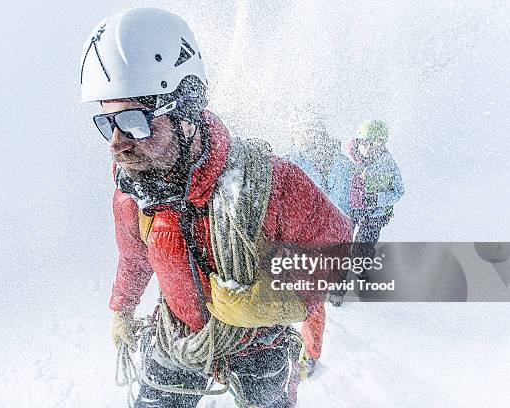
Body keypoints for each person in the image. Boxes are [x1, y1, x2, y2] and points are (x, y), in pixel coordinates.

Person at [80, 7, 352, 407]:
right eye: (107, 123)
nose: (116, 143)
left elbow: (338, 252)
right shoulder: (132, 196)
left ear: (186, 112)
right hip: (178, 336)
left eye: (134, 120)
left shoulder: (271, 185)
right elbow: (135, 259)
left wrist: (282, 300)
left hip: (259, 347)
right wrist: (122, 309)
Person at [348, 120, 404, 273]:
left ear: (382, 144)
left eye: (375, 144)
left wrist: (377, 199)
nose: (369, 148)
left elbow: (398, 191)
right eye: (365, 143)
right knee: (342, 238)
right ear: (358, 142)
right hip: (351, 209)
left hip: (375, 215)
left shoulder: (388, 164)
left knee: (363, 245)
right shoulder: (349, 162)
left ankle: (361, 268)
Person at [286, 116, 352, 216]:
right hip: (306, 225)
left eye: (308, 132)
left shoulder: (342, 163)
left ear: (320, 133)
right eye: (296, 132)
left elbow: (346, 201)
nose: (301, 137)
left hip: (334, 224)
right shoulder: (289, 164)